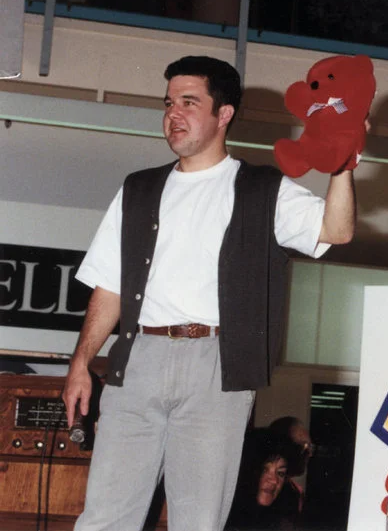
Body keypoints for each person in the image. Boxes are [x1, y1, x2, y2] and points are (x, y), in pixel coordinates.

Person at [61, 55, 359, 531]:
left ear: (224, 114)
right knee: (103, 517)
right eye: (168, 103)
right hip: (137, 359)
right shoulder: (138, 190)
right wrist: (81, 363)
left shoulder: (262, 189)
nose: (173, 114)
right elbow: (110, 284)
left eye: (188, 102)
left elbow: (336, 230)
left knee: (197, 521)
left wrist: (342, 165)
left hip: (217, 368)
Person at [225, 428, 301, 531]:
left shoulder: (285, 525)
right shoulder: (220, 519)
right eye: (264, 470)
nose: (274, 480)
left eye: (280, 473)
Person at [268, 416, 312, 513]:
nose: (309, 453)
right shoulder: (264, 488)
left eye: (309, 446)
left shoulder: (296, 492)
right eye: (302, 446)